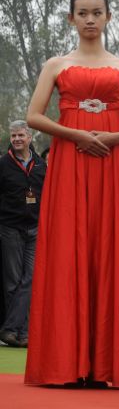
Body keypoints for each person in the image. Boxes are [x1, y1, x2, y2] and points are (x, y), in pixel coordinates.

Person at [24, 0, 119, 387]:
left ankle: (105, 365)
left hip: (112, 165)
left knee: (109, 248)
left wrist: (110, 139)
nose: (90, 20)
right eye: (82, 13)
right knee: (68, 248)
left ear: (108, 17)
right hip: (68, 163)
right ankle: (66, 364)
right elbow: (33, 116)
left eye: (97, 13)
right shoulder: (55, 65)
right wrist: (77, 136)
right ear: (71, 19)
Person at [0, 121, 47, 348]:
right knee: (12, 282)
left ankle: (11, 329)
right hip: (10, 228)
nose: (17, 139)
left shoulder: (41, 165)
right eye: (13, 135)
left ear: (30, 137)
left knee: (30, 279)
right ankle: (22, 334)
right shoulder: (3, 164)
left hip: (35, 228)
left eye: (21, 135)